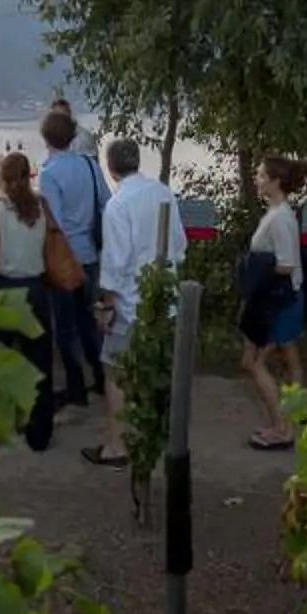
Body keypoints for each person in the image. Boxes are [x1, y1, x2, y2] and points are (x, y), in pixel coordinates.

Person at [82, 139, 186, 467]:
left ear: (111, 167)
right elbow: (179, 244)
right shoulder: (163, 192)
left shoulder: (118, 204)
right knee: (155, 368)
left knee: (115, 372)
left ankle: (118, 445)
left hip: (129, 304)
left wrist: (107, 306)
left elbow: (115, 261)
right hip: (164, 297)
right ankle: (154, 436)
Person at [0, 151, 55, 450]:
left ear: (3, 180)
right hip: (37, 290)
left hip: (7, 291)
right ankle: (40, 432)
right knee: (40, 364)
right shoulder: (42, 206)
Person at [40, 109, 110, 411]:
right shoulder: (89, 165)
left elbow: (53, 221)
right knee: (88, 321)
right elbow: (106, 203)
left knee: (65, 326)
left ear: (46, 138)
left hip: (64, 257)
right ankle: (102, 376)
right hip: (90, 252)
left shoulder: (49, 173)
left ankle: (75, 385)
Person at [241, 156, 307, 451]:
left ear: (275, 181)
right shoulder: (278, 213)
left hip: (277, 300)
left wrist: (254, 270)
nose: (256, 179)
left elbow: (286, 264)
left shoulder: (280, 217)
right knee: (273, 361)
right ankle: (283, 425)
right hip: (275, 298)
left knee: (254, 363)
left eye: (260, 175)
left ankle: (282, 429)